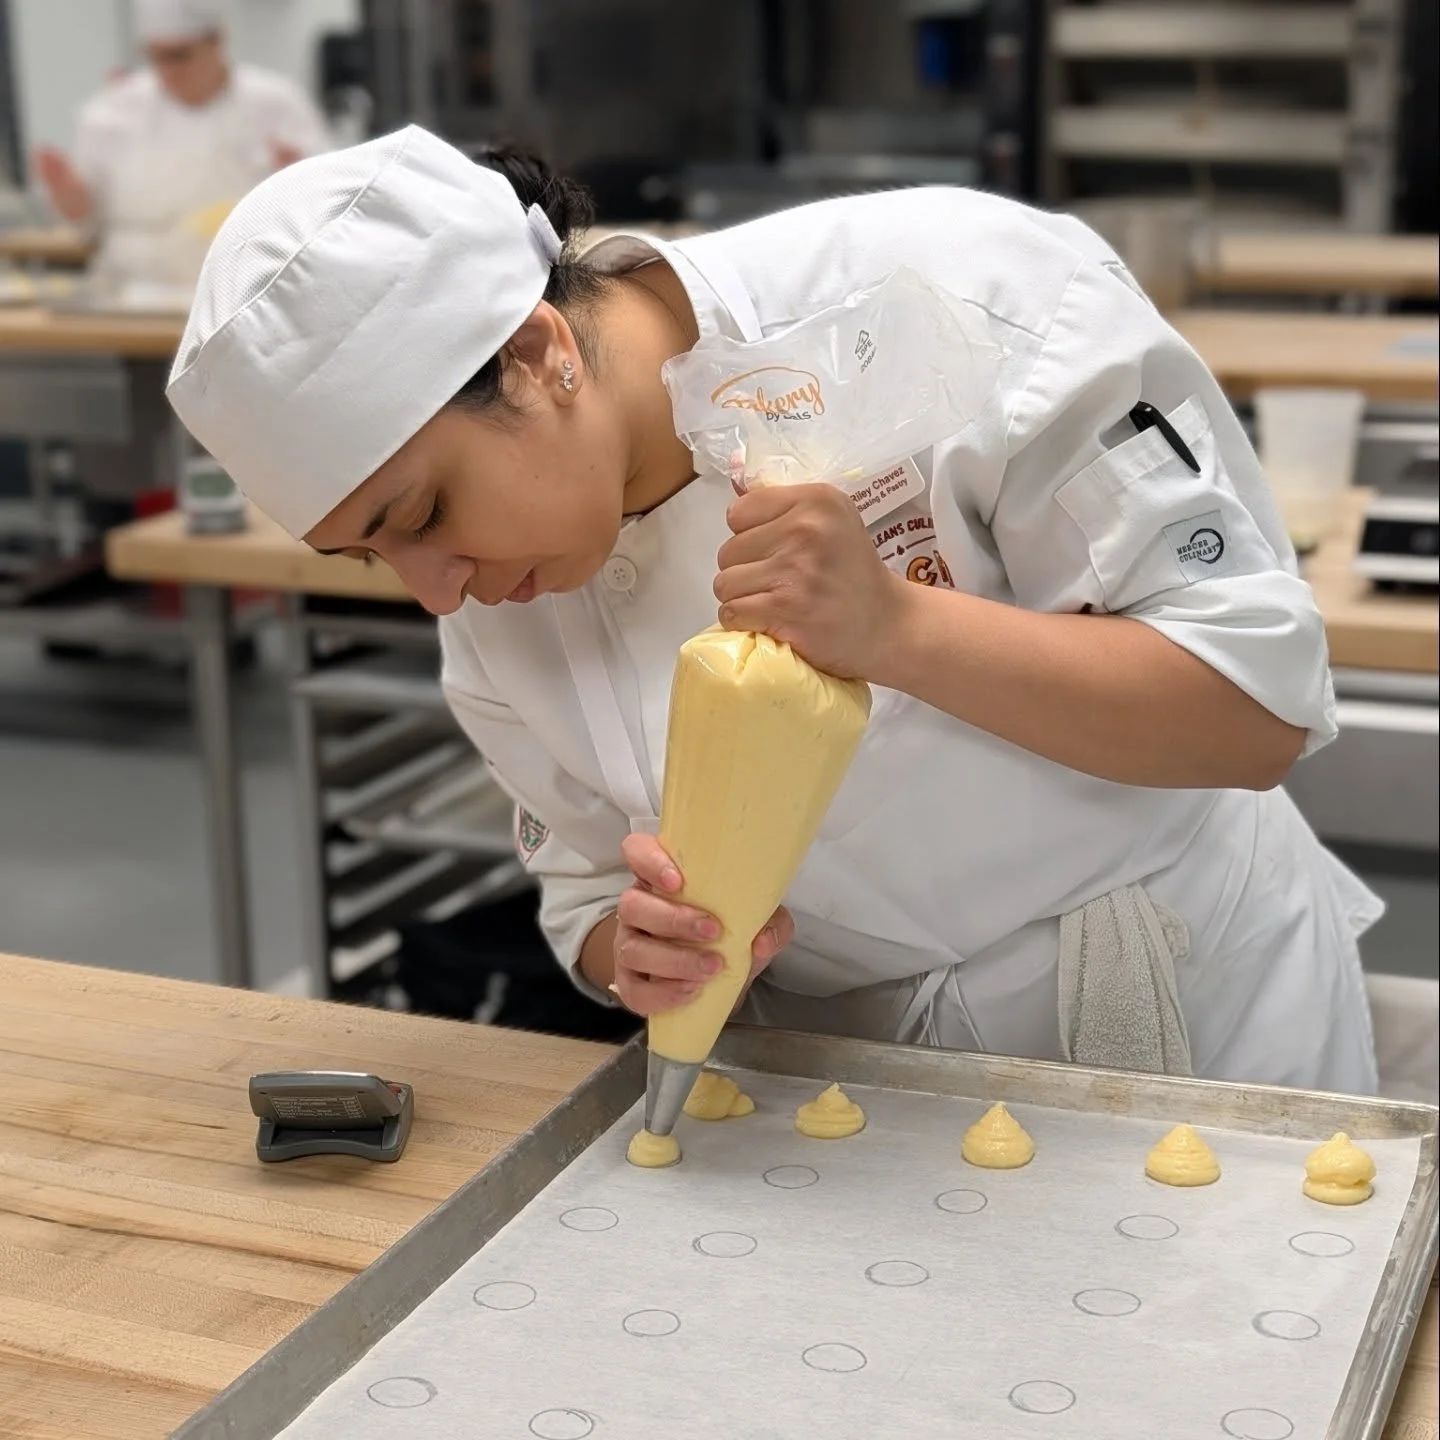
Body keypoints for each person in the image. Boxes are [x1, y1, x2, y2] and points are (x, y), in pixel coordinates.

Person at [168, 126, 1382, 1094]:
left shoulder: (967, 295)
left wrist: (898, 631)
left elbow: (1254, 712)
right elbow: (585, 889)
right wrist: (627, 953)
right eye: (373, 556)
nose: (441, 592)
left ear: (540, 352)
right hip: (840, 1084)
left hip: (1178, 1012)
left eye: (423, 513)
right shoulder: (500, 587)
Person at [33, 0, 329, 287]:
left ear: (216, 41)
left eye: (180, 55)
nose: (168, 70)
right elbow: (84, 220)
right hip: (130, 291)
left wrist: (297, 179)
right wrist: (67, 192)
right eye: (156, 57)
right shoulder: (113, 111)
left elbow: (329, 204)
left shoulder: (277, 104)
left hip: (243, 288)